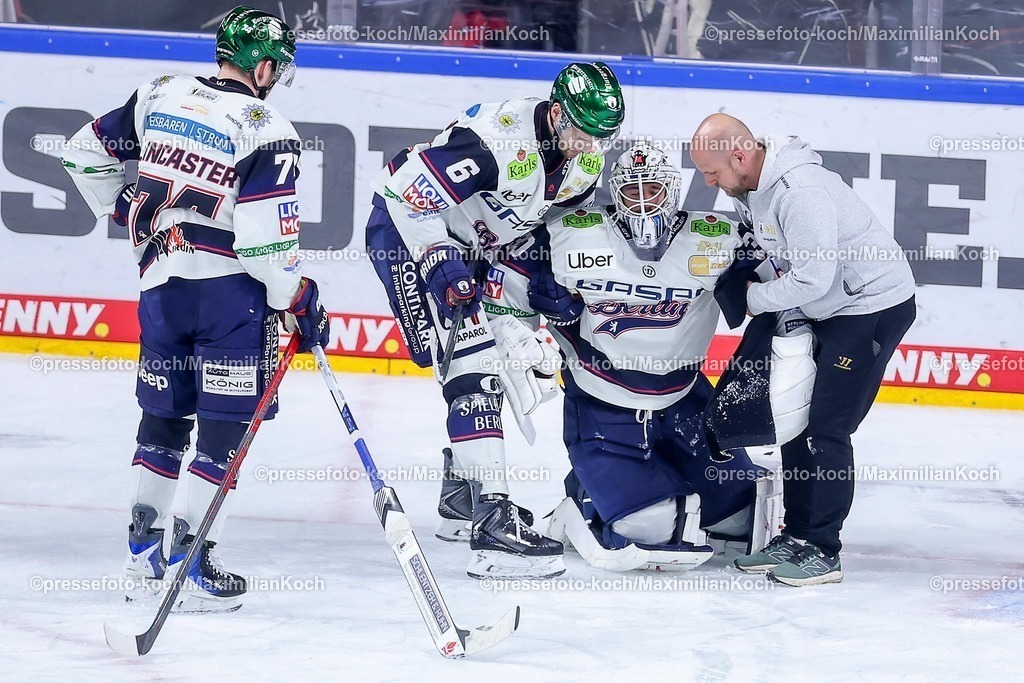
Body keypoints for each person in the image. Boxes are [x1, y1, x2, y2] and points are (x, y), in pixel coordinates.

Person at [60, 6, 330, 611]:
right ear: (261, 65)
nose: (277, 76)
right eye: (276, 65)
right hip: (229, 296)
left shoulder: (159, 92)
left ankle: (142, 552)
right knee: (224, 431)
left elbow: (82, 153)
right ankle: (189, 559)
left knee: (164, 421)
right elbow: (265, 247)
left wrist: (125, 204)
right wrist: (300, 296)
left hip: (160, 287)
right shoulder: (268, 126)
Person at [365, 62, 624, 579]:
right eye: (579, 131)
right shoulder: (496, 141)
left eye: (601, 137)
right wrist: (438, 257)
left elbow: (551, 224)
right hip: (409, 235)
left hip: (479, 247)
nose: (587, 146)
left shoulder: (585, 160)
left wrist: (549, 271)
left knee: (502, 362)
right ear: (555, 114)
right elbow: (404, 197)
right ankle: (492, 519)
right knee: (471, 366)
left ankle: (465, 496)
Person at [478, 141, 788, 571]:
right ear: (615, 193)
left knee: (737, 517)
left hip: (686, 402)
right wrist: (512, 333)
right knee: (653, 527)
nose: (643, 204)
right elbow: (505, 291)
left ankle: (628, 486)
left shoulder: (719, 236)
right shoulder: (567, 233)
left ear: (673, 191)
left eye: (653, 191)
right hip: (603, 405)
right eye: (632, 192)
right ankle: (580, 505)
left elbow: (782, 288)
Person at [689, 113, 916, 586]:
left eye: (712, 172)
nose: (709, 182)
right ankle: (796, 535)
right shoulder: (753, 187)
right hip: (827, 309)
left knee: (827, 428)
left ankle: (824, 549)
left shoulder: (800, 193)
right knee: (793, 421)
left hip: (868, 307)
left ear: (739, 155)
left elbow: (812, 278)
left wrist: (752, 299)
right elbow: (781, 261)